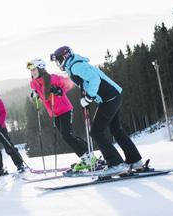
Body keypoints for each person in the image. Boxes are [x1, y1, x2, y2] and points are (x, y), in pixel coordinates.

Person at [50, 46, 144, 176]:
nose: (57, 64)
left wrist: (89, 97)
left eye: (58, 60)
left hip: (109, 98)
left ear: (65, 57)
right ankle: (135, 160)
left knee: (96, 132)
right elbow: (86, 82)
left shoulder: (75, 66)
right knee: (116, 130)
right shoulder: (74, 65)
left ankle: (116, 164)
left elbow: (95, 78)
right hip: (113, 96)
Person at [27, 58, 101, 172]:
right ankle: (89, 155)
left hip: (65, 109)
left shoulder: (52, 78)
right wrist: (35, 93)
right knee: (67, 136)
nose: (32, 72)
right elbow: (37, 91)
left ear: (41, 69)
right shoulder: (34, 83)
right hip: (54, 113)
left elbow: (69, 83)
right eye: (31, 70)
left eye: (34, 69)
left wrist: (59, 90)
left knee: (67, 135)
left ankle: (86, 157)